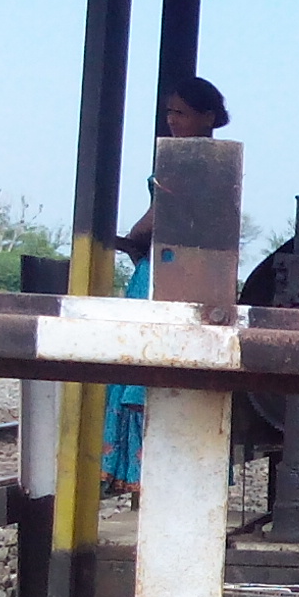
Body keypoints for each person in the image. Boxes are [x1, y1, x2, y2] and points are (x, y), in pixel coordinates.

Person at [104, 78, 230, 492]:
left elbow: (158, 216)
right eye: (170, 113)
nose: (172, 121)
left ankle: (147, 473)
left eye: (181, 112)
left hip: (165, 272)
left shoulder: (186, 161)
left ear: (207, 116)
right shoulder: (218, 162)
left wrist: (130, 238)